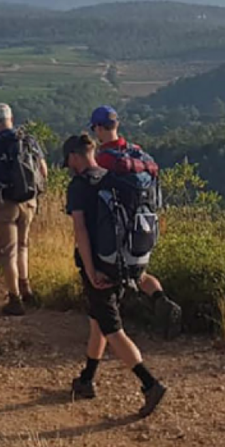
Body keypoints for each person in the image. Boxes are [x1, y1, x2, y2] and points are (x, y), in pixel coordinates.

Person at [62, 133, 168, 418]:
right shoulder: (111, 178)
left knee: (112, 329)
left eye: (68, 160)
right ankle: (86, 380)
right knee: (98, 322)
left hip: (100, 267)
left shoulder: (79, 186)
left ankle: (149, 384)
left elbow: (81, 231)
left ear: (74, 156)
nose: (68, 165)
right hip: (122, 262)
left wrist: (92, 270)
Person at [88, 106, 183, 333]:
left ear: (99, 128)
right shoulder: (139, 154)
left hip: (115, 233)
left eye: (94, 128)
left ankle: (110, 330)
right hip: (143, 231)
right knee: (140, 274)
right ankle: (161, 299)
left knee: (107, 279)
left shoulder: (102, 159)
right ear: (117, 124)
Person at [0, 102, 47, 315]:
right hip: (28, 201)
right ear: (11, 118)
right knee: (23, 245)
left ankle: (14, 297)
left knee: (8, 251)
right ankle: (26, 288)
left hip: (5, 202)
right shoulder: (29, 140)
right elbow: (43, 170)